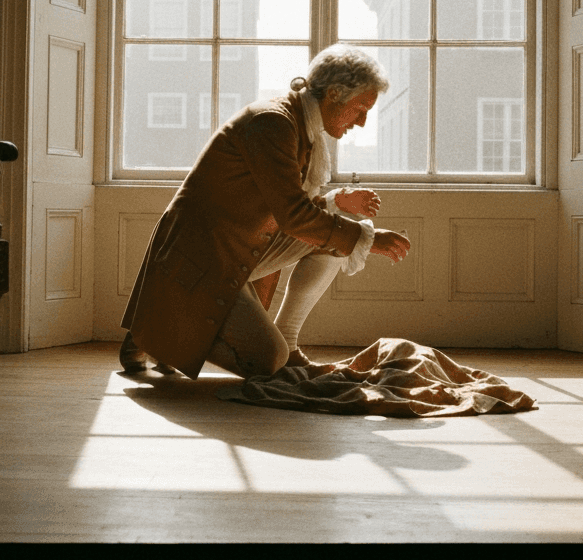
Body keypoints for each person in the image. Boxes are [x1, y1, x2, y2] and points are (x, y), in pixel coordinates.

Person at [119, 44, 411, 380]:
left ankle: (287, 342)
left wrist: (338, 207)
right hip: (203, 259)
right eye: (361, 109)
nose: (362, 122)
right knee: (269, 360)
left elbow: (285, 207)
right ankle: (157, 330)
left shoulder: (299, 124)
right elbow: (293, 215)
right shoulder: (273, 122)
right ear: (333, 94)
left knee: (340, 238)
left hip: (233, 248)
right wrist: (367, 238)